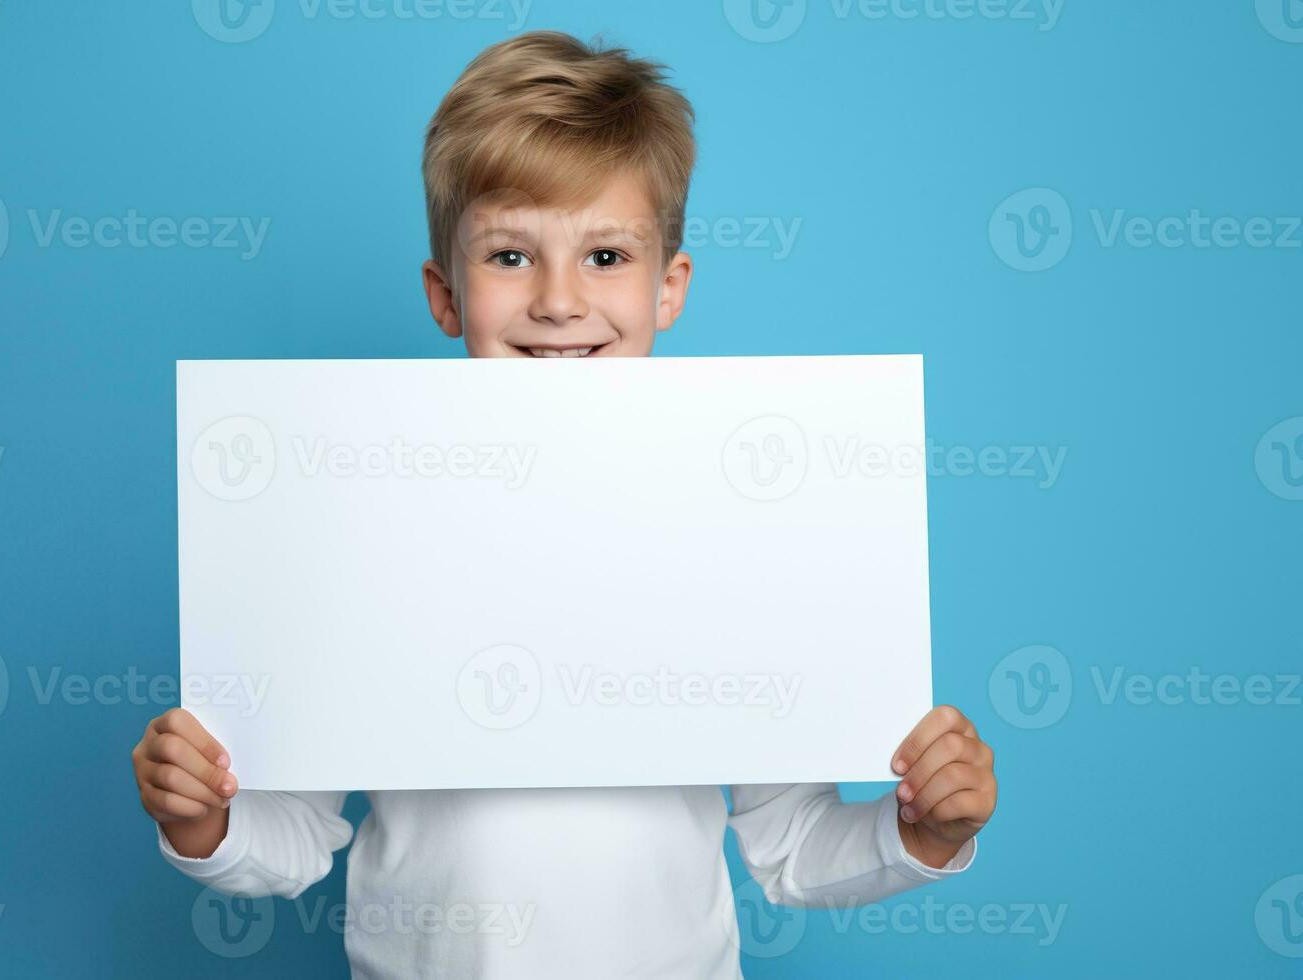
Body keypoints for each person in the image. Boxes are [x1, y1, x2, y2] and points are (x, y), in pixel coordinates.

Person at [132, 30, 998, 978]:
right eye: (508, 255)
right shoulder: (361, 527)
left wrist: (922, 833)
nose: (556, 300)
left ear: (668, 288)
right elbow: (295, 831)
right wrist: (206, 819)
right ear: (444, 293)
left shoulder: (734, 532)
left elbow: (791, 842)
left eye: (605, 256)